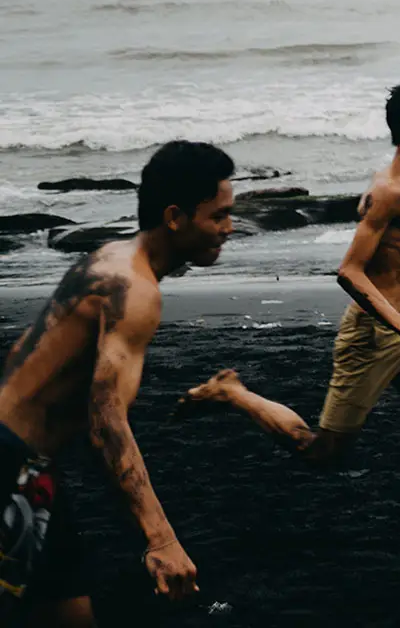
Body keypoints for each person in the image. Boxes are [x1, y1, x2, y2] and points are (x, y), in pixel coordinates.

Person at [178, 76, 400, 574]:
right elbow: (350, 272)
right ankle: (232, 392)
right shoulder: (389, 191)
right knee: (320, 452)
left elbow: (392, 250)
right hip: (373, 331)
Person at [0, 141, 234, 623]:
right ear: (175, 217)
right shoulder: (137, 290)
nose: (230, 228)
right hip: (12, 467)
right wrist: (160, 539)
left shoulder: (111, 256)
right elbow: (105, 421)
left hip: (30, 464)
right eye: (219, 216)